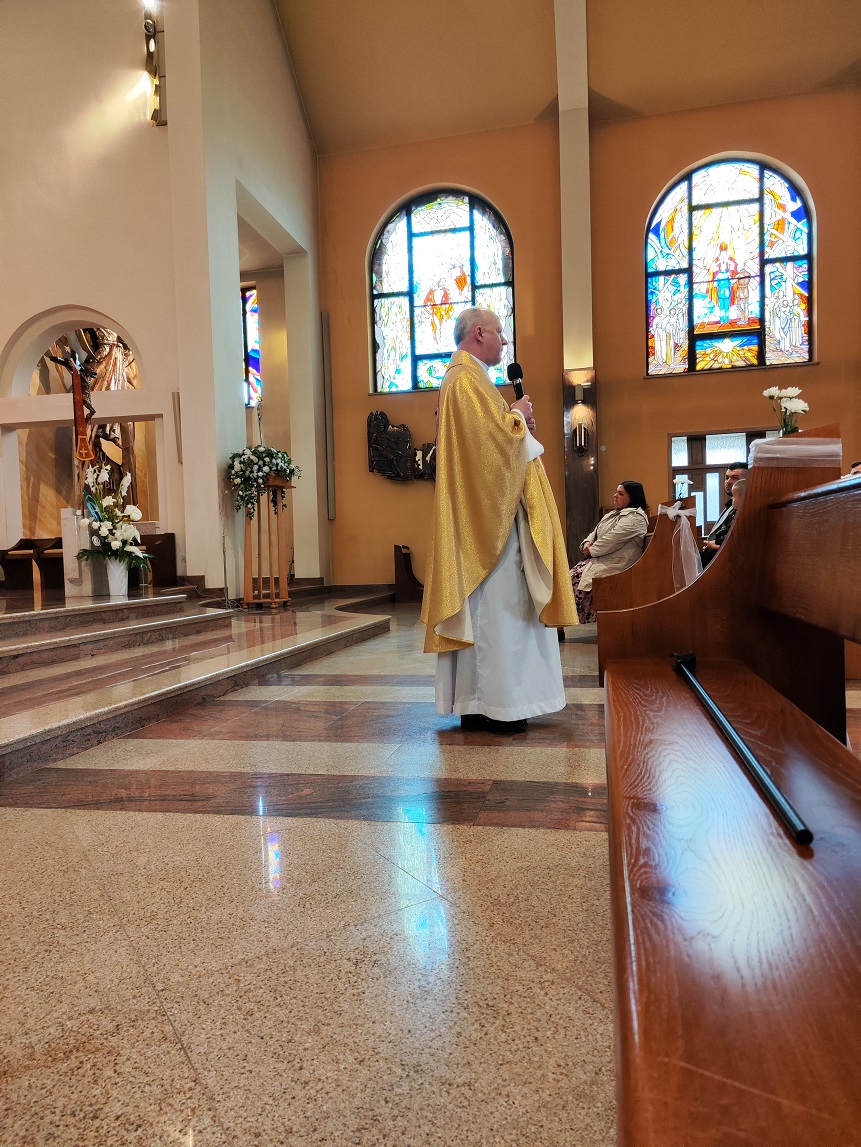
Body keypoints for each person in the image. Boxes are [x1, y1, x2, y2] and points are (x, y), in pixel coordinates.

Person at [421, 307, 576, 736]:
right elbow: (490, 448)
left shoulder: (470, 379)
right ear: (479, 332)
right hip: (492, 525)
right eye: (500, 333)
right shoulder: (465, 380)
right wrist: (516, 416)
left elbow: (488, 441)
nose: (504, 341)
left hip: (493, 516)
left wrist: (513, 417)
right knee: (499, 611)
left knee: (492, 612)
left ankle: (480, 703)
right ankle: (499, 705)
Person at [569, 481, 649, 624]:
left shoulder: (636, 518)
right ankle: (564, 622)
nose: (615, 495)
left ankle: (568, 621)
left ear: (632, 497)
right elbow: (593, 534)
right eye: (616, 492)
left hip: (617, 565)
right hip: (601, 559)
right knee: (568, 578)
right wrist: (587, 543)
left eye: (621, 493)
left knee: (573, 580)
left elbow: (611, 540)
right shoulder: (612, 515)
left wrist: (591, 550)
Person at [701, 460, 748, 567]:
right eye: (727, 478)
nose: (728, 482)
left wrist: (715, 545)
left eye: (735, 478)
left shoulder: (745, 507)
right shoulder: (730, 505)